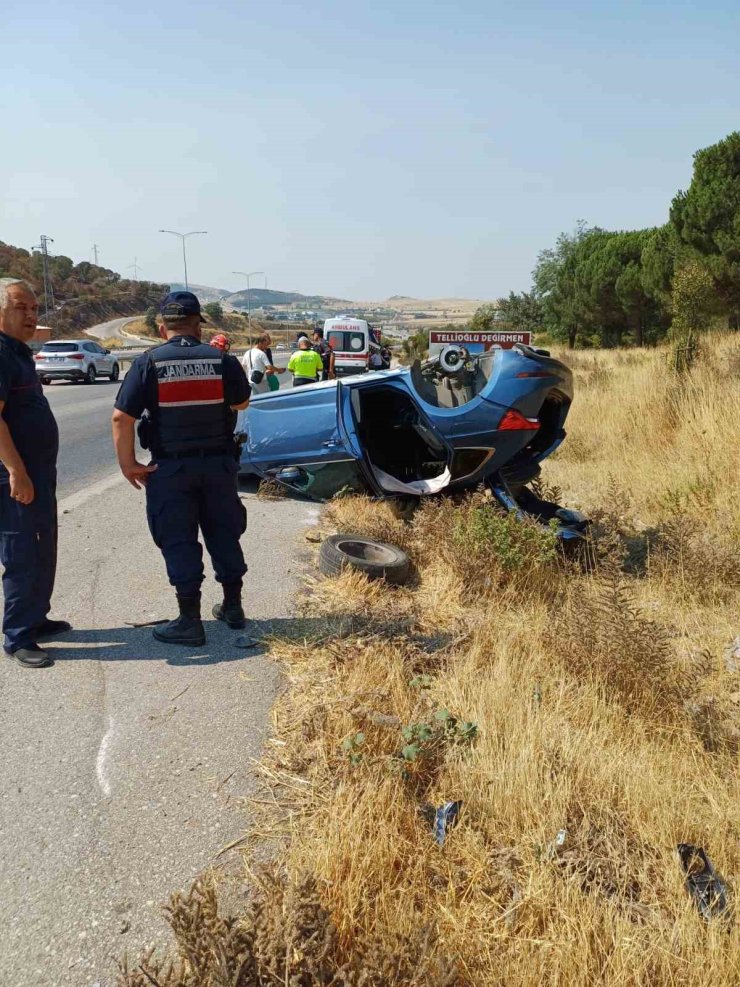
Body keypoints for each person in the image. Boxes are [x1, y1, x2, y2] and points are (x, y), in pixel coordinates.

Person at [112, 291, 252, 646]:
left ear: (163, 329)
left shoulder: (148, 363)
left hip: (170, 470)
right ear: (198, 326)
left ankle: (190, 621)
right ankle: (233, 607)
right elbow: (242, 401)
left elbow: (121, 418)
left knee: (178, 540)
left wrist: (129, 465)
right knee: (224, 532)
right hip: (218, 465)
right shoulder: (221, 360)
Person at [0, 278, 70, 668]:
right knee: (23, 553)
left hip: (39, 474)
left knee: (43, 546)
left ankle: (36, 618)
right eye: (19, 307)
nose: (30, 314)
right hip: (15, 477)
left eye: (33, 308)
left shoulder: (20, 352)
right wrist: (16, 471)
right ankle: (18, 636)